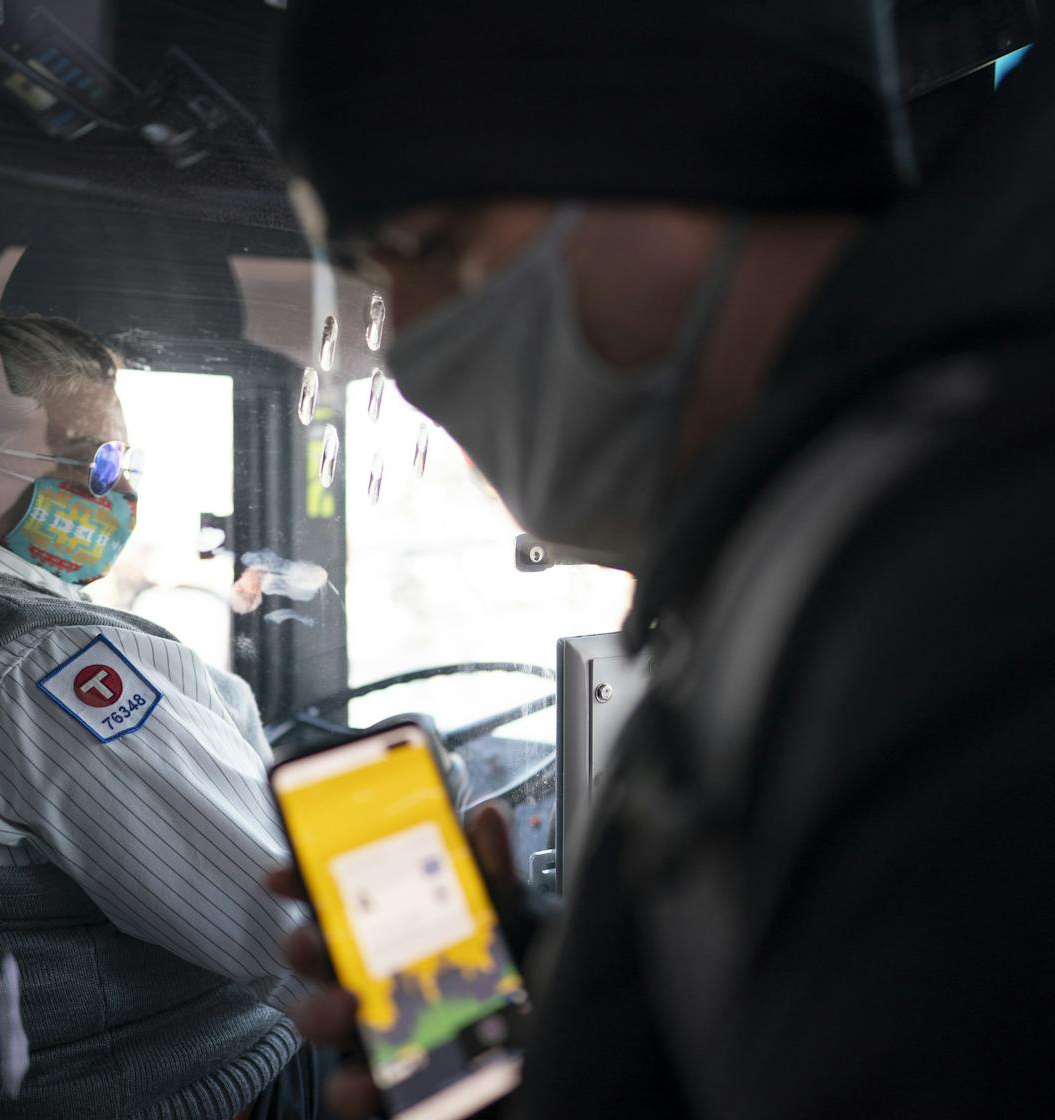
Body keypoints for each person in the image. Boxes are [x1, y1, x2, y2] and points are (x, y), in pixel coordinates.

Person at [270, 2, 1055, 1117]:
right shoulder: (809, 541)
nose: (407, 343)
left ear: (678, 147)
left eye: (432, 248)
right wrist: (578, 995)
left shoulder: (967, 585)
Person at [0, 306, 329, 1118]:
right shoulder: (41, 665)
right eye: (85, 459)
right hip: (197, 1094)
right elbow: (296, 933)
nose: (116, 487)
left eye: (118, 459)